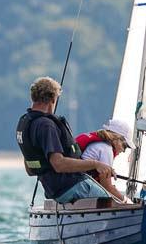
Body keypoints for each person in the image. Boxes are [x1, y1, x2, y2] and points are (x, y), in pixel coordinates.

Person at [16, 76, 114, 204]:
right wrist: (96, 164)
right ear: (52, 98)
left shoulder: (25, 123)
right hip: (71, 187)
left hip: (53, 191)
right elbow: (59, 164)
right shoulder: (46, 125)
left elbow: (30, 170)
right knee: (113, 203)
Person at [75, 120, 135, 203]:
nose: (124, 150)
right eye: (125, 146)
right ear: (117, 139)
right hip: (79, 184)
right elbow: (107, 186)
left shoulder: (100, 145)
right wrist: (127, 201)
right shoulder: (106, 149)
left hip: (75, 182)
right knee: (107, 198)